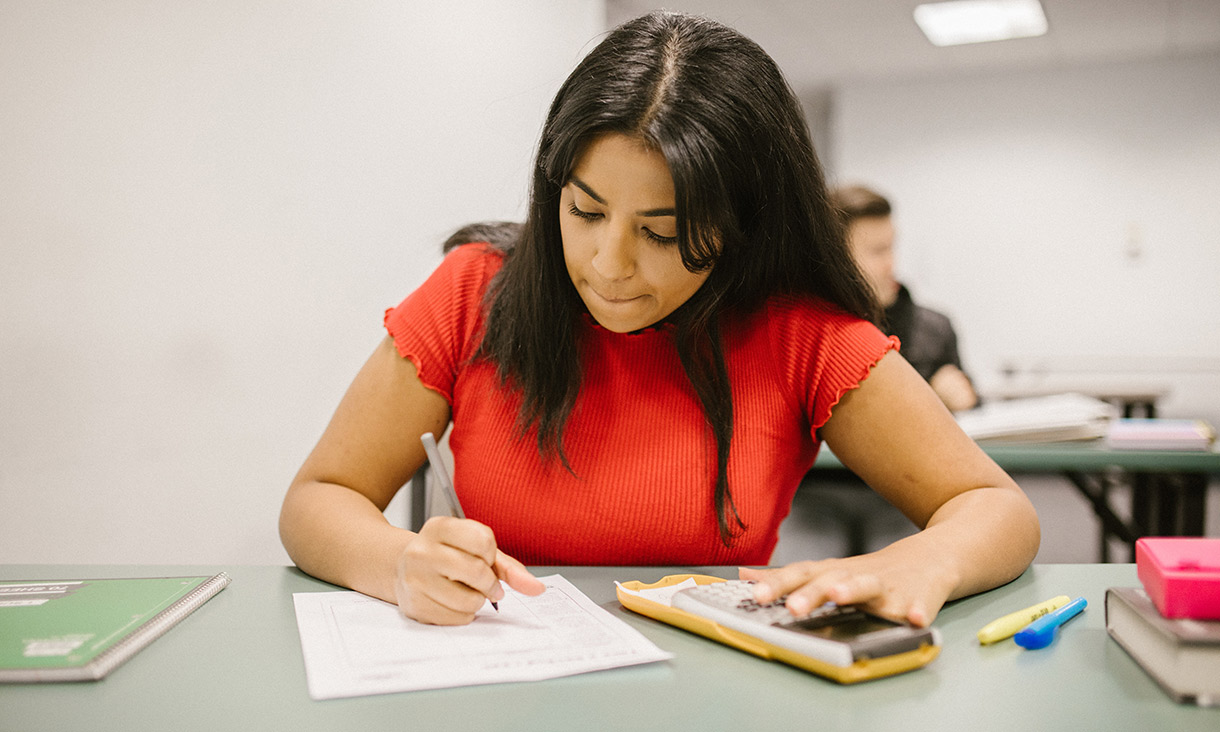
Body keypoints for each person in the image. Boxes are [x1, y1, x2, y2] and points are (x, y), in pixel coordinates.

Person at [279, 11, 1039, 629]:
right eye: (584, 210)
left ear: (742, 226)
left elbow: (997, 509)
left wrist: (915, 561)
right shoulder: (474, 292)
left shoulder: (799, 333)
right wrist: (398, 563)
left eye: (663, 231)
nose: (609, 263)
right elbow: (319, 498)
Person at [831, 184, 979, 412]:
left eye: (892, 247)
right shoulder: (819, 338)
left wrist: (963, 398)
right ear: (838, 260)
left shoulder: (936, 330)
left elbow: (971, 410)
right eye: (878, 251)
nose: (892, 264)